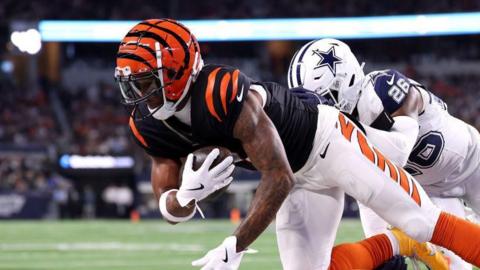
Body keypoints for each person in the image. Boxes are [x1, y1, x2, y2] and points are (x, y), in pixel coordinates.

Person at [115, 19, 480, 270]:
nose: (137, 95)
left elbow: (278, 177)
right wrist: (184, 197)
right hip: (298, 174)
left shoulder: (221, 93)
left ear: (179, 73)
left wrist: (236, 244)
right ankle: (397, 245)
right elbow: (169, 208)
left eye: (146, 83)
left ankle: (409, 238)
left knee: (421, 221)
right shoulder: (149, 125)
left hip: (331, 142)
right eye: (132, 84)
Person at [287, 38, 480, 269]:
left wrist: (342, 126)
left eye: (325, 101)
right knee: (392, 263)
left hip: (471, 166)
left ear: (345, 81)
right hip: (421, 188)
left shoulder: (384, 88)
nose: (320, 114)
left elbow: (400, 148)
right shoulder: (340, 134)